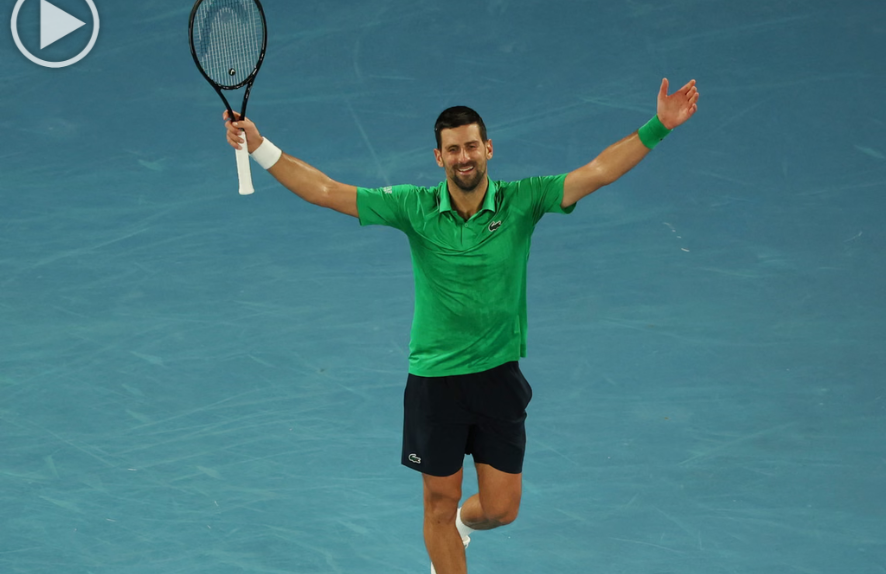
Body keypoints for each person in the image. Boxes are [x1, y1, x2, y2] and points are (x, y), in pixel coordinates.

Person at [223, 78, 699, 574]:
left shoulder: (524, 200)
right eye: (453, 149)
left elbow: (598, 172)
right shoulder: (415, 207)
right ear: (439, 158)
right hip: (436, 381)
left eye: (471, 145)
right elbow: (325, 191)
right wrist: (258, 145)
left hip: (497, 376)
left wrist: (659, 125)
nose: (464, 156)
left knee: (499, 509)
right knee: (437, 505)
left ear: (488, 148)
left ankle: (462, 533)